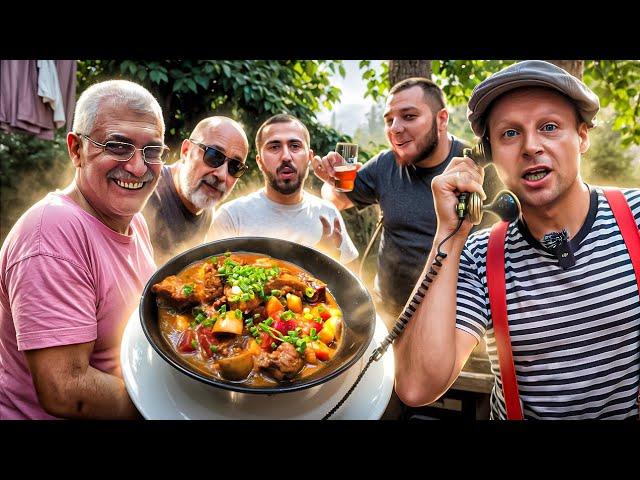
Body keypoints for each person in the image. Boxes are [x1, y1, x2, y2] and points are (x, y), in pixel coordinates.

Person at [393, 60, 640, 419]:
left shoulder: (636, 215)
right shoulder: (480, 255)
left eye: (550, 127)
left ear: (583, 136)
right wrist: (448, 233)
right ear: (488, 156)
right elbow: (416, 386)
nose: (530, 146)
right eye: (509, 133)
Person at [0, 79, 167, 419]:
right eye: (118, 146)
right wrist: (170, 405)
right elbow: (66, 391)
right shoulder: (51, 234)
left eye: (152, 151)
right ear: (76, 149)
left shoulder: (133, 220)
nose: (138, 167)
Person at [313, 77, 498, 325]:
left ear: (441, 119)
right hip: (387, 315)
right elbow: (337, 200)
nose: (395, 128)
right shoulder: (384, 164)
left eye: (409, 116)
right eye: (390, 120)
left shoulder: (479, 170)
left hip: (455, 319)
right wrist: (331, 181)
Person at [209, 113, 358, 265]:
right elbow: (209, 276)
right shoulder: (232, 217)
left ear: (309, 157)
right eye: (274, 147)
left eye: (295, 146)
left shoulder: (328, 214)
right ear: (259, 162)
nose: (286, 156)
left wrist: (328, 262)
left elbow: (350, 284)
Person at [143, 116, 249, 265]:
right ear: (186, 150)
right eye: (214, 156)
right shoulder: (145, 194)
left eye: (235, 167)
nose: (222, 175)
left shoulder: (207, 207)